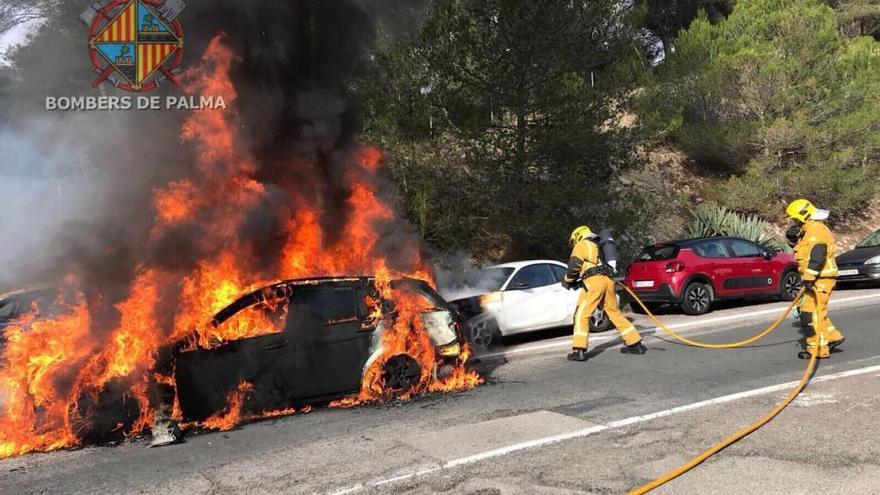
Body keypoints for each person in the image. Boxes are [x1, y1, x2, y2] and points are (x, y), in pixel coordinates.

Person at [562, 225, 646, 361]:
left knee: (581, 314)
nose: (574, 244)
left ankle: (578, 350)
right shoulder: (599, 245)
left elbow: (574, 266)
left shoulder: (582, 244)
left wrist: (567, 280)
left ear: (577, 236)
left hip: (594, 282)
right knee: (614, 313)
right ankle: (635, 343)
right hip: (608, 281)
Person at [785, 199, 845, 359]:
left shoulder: (817, 230)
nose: (794, 222)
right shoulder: (808, 231)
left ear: (803, 215)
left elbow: (818, 255)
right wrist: (793, 240)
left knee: (809, 315)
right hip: (814, 277)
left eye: (795, 218)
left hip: (821, 278)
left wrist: (810, 277)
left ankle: (818, 349)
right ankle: (832, 337)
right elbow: (803, 252)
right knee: (814, 310)